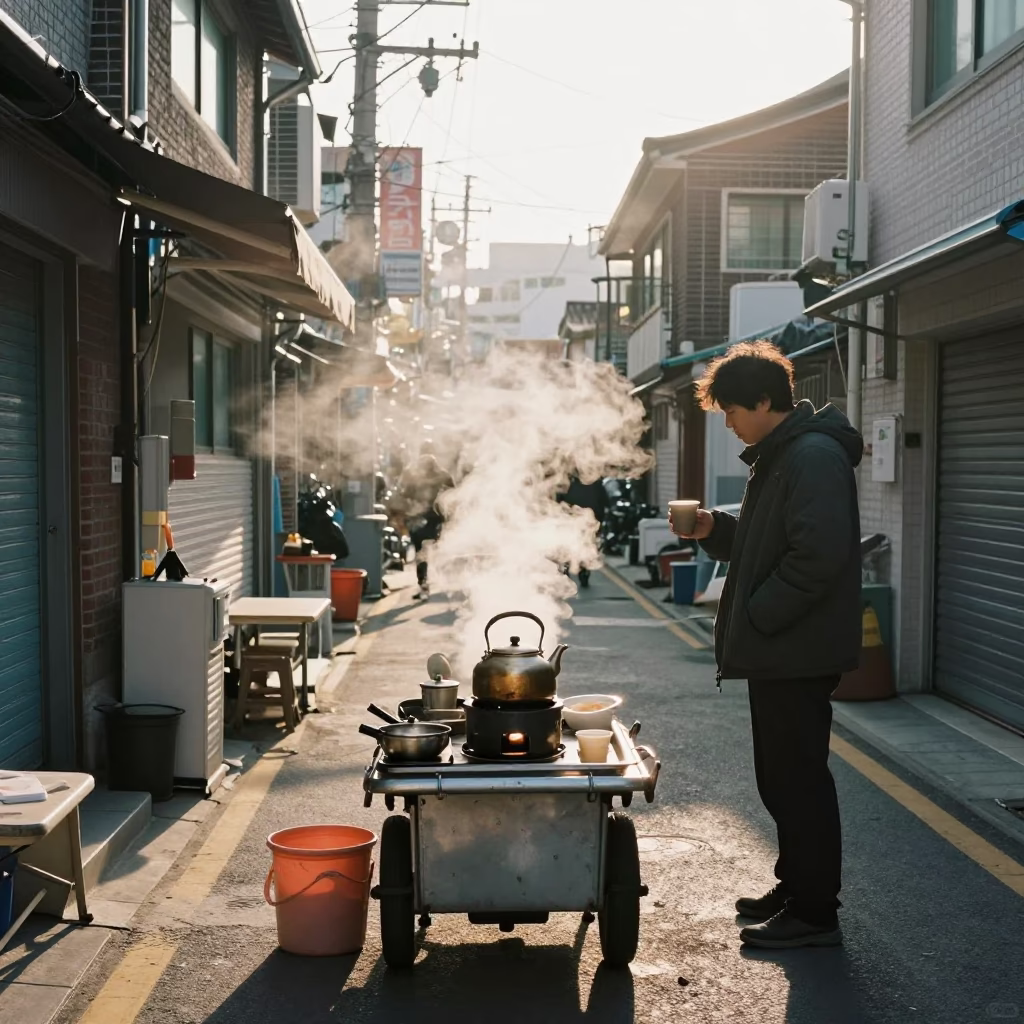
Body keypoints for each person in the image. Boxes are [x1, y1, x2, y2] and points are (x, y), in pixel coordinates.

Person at [670, 340, 862, 950]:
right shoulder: (780, 456)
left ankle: (814, 911)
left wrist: (758, 613)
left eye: (731, 411)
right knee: (780, 775)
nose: (728, 424)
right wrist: (711, 529)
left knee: (796, 778)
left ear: (762, 399)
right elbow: (766, 544)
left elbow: (818, 556)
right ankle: (796, 885)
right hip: (783, 646)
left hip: (795, 647)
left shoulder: (809, 457)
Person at [396, 451, 454, 600]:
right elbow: (453, 495)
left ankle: (424, 583)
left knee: (421, 553)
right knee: (433, 550)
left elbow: (405, 495)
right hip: (435, 518)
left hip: (421, 518)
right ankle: (429, 582)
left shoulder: (416, 476)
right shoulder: (443, 476)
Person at [557, 475, 609, 587]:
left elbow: (559, 500)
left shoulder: (568, 482)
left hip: (573, 521)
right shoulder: (596, 484)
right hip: (589, 522)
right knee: (586, 546)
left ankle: (568, 572)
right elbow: (604, 502)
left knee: (569, 546)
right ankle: (584, 571)